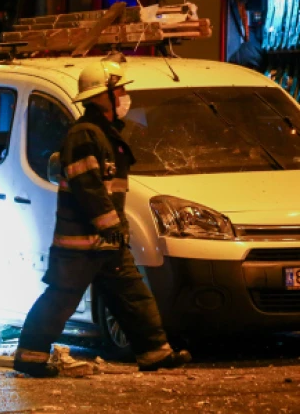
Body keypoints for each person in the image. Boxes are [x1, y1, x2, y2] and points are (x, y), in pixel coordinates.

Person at [13, 60, 192, 378]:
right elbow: (88, 187)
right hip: (81, 243)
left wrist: (115, 229)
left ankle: (155, 353)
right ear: (101, 96)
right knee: (62, 298)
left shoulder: (106, 135)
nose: (124, 96)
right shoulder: (85, 135)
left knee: (132, 294)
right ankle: (30, 356)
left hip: (108, 239)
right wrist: (110, 225)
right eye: (119, 89)